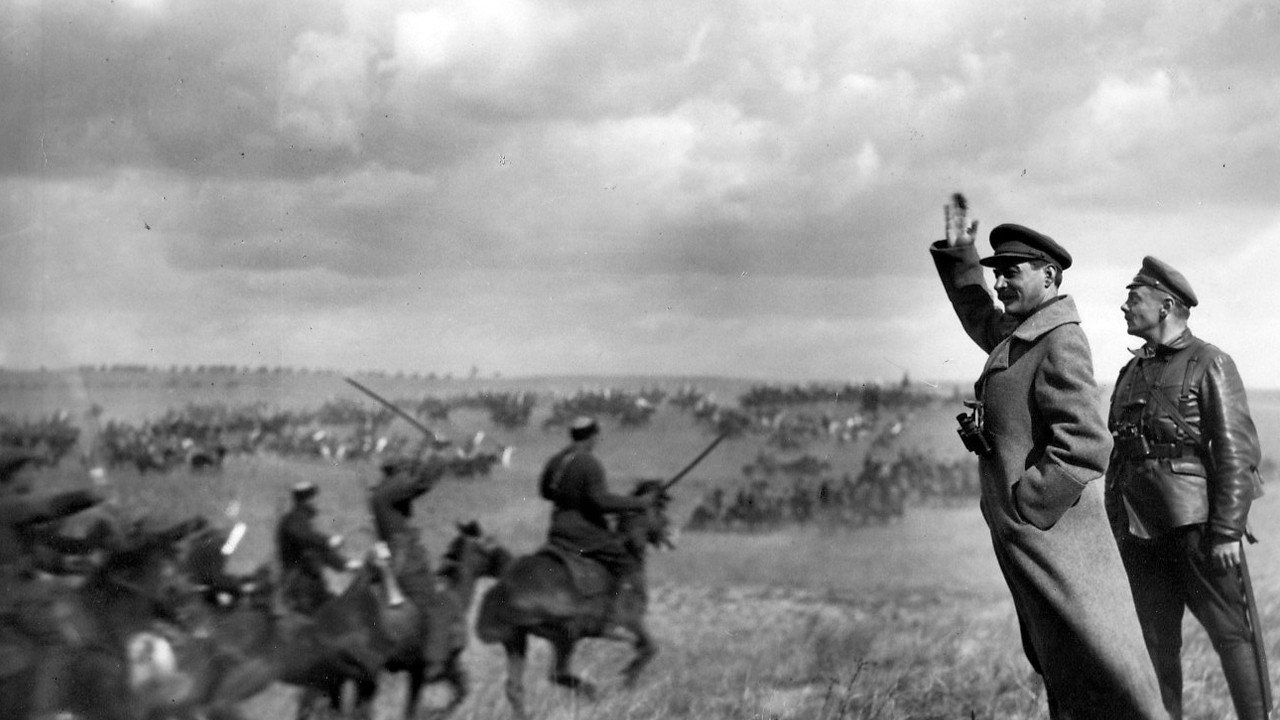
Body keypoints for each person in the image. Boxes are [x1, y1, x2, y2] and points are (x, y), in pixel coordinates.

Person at [929, 208, 1166, 718]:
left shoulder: (1060, 340)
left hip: (1060, 544)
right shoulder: (1024, 333)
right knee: (1062, 664)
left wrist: (1026, 506)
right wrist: (960, 257)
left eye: (1011, 271)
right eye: (996, 272)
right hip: (1038, 543)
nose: (999, 283)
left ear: (1049, 276)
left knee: (1101, 667)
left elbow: (1085, 441)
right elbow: (978, 314)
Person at [1107, 256, 1272, 719]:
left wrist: (1226, 531)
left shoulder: (1211, 362)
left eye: (1133, 298)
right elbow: (1121, 454)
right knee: (1155, 642)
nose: (1124, 307)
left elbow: (1238, 454)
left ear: (1166, 305)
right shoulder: (1131, 371)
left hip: (1198, 530)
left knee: (1234, 636)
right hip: (1141, 531)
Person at [539, 417, 657, 620]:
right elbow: (600, 502)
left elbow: (545, 492)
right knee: (627, 561)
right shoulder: (589, 463)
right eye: (596, 437)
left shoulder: (556, 461)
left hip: (557, 530)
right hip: (584, 534)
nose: (597, 441)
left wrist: (573, 498)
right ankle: (620, 614)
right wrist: (640, 503)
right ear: (592, 437)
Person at [369, 454, 452, 676]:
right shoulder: (392, 489)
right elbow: (422, 482)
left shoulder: (383, 490)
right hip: (404, 557)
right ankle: (432, 659)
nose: (407, 474)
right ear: (397, 473)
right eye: (405, 470)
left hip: (390, 554)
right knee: (430, 600)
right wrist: (440, 454)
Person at [275, 481, 348, 615]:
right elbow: (306, 538)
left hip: (311, 584)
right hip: (300, 586)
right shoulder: (294, 519)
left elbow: (317, 550)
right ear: (308, 500)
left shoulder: (301, 520)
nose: (318, 502)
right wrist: (328, 541)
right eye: (315, 498)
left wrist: (345, 564)